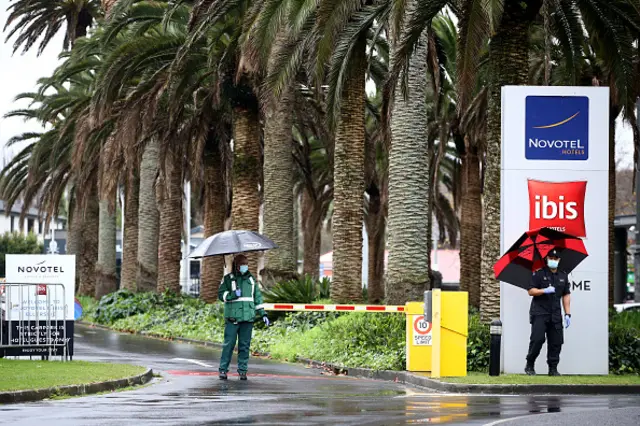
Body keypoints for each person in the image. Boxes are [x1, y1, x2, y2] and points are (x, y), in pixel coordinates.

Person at [217, 254, 269, 380]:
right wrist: (232, 294)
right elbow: (221, 294)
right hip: (233, 318)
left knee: (244, 346)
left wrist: (263, 314)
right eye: (242, 265)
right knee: (228, 345)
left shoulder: (251, 280)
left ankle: (243, 371)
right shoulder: (228, 279)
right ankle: (223, 370)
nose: (245, 267)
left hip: (248, 318)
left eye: (246, 265)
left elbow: (257, 298)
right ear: (237, 265)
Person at [524, 249, 571, 376]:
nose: (553, 260)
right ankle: (530, 364)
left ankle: (553, 368)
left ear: (559, 260)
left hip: (555, 314)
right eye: (551, 258)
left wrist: (568, 314)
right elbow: (531, 291)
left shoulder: (563, 276)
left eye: (555, 259)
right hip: (539, 312)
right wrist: (544, 290)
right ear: (547, 259)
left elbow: (566, 295)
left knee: (556, 342)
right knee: (537, 339)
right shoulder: (539, 274)